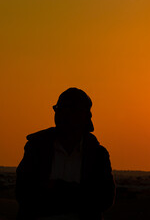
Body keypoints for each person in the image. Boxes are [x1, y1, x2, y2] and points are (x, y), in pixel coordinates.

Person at [16, 88, 116, 220]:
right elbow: (24, 194)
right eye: (59, 109)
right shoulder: (37, 148)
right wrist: (78, 194)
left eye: (70, 110)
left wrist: (56, 189)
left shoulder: (98, 155)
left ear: (83, 117)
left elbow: (104, 200)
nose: (62, 116)